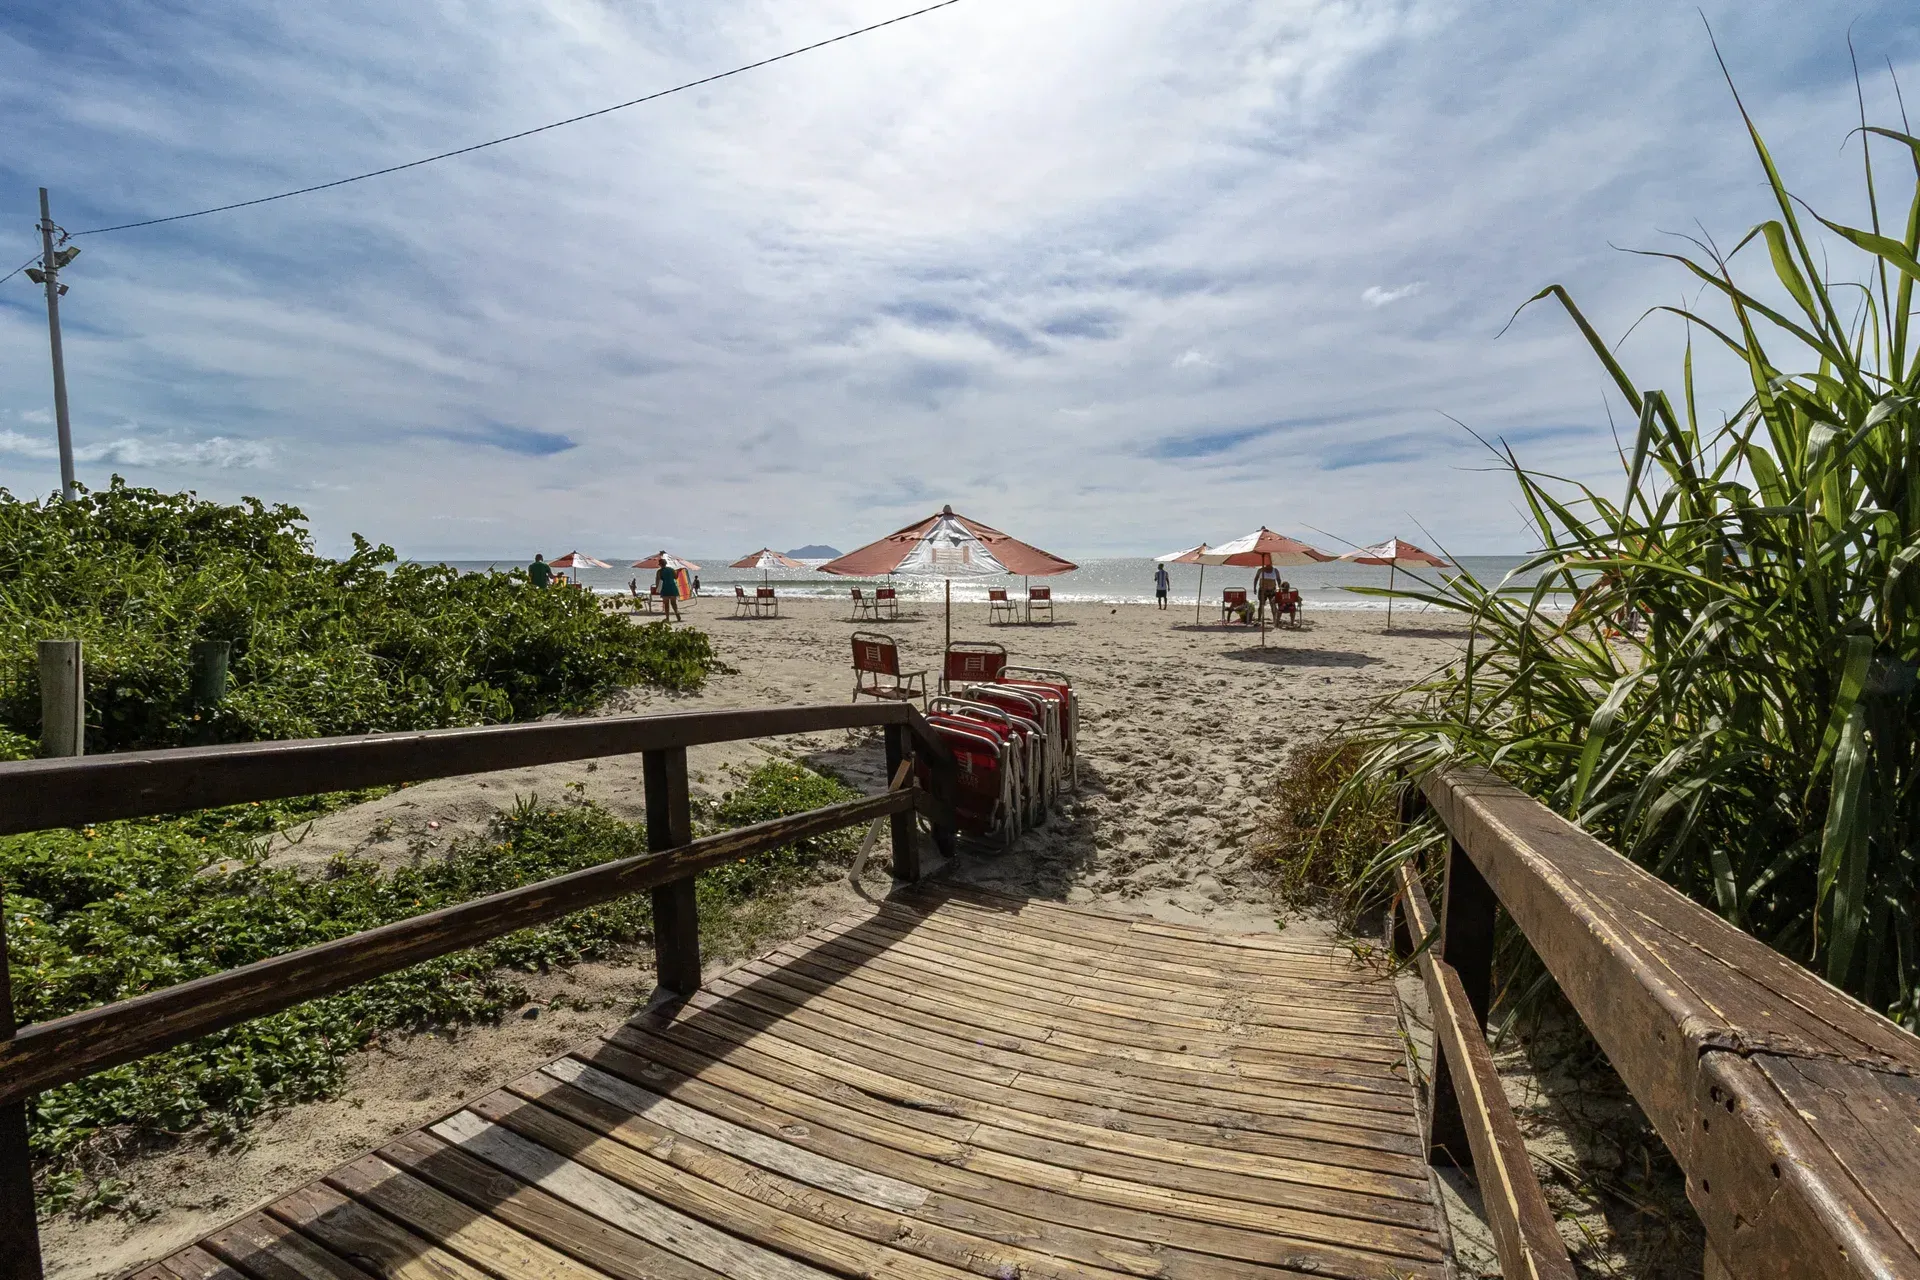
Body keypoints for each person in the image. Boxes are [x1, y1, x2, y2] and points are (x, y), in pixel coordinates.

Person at [654, 556, 682, 621]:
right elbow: (676, 577)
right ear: (666, 563)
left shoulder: (659, 571)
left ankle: (667, 618)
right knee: (674, 603)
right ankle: (677, 614)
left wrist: (657, 588)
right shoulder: (671, 569)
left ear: (660, 565)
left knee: (666, 604)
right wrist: (678, 572)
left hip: (665, 588)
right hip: (672, 587)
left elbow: (658, 580)